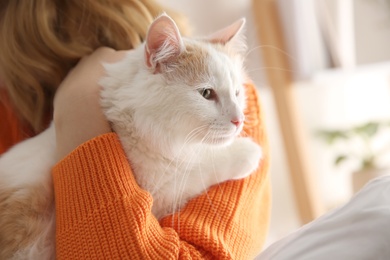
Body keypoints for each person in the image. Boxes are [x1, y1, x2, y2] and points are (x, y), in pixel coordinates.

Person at [0, 0, 271, 259]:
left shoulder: (227, 98)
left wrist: (79, 106)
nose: (238, 118)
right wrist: (76, 105)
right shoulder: (12, 112)